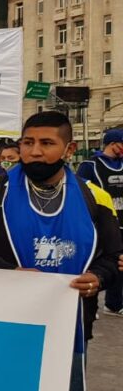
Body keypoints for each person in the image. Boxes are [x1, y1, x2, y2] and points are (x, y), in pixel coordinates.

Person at [0, 111, 122, 391]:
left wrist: (98, 279)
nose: (35, 151)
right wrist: (10, 272)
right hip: (1, 324)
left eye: (46, 143)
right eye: (27, 143)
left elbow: (114, 257)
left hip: (68, 328)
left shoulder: (94, 197)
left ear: (69, 150)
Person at [77, 129, 123, 315]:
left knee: (119, 264)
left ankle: (114, 304)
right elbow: (80, 191)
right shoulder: (90, 165)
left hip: (121, 221)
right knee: (96, 264)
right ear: (113, 143)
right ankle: (90, 304)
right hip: (101, 222)